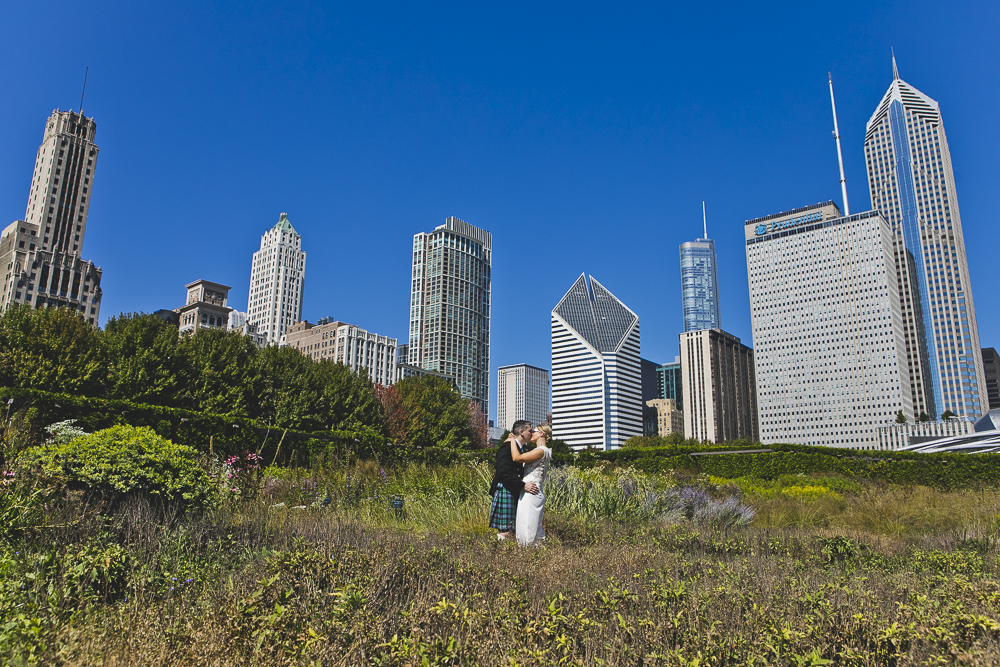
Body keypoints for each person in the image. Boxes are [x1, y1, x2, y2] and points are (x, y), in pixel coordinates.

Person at [488, 420, 539, 540]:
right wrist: (523, 485)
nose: (531, 433)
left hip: (512, 490)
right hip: (505, 489)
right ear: (521, 432)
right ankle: (499, 555)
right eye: (529, 430)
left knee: (513, 528)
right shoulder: (506, 447)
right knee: (505, 530)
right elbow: (503, 472)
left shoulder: (519, 447)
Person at [506, 424, 552, 547]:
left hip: (531, 493)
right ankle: (535, 554)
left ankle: (527, 555)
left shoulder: (540, 451)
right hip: (533, 492)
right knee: (532, 527)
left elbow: (517, 458)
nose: (531, 434)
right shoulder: (542, 450)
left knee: (527, 527)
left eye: (534, 431)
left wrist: (512, 441)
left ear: (541, 433)